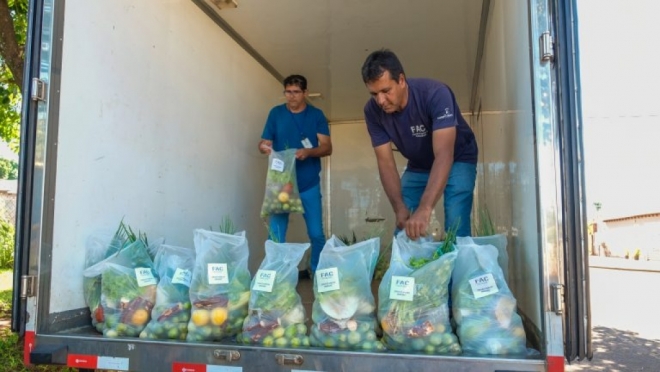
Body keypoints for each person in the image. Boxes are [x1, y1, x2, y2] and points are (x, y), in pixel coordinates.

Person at [361, 49, 478, 240]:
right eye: (374, 94)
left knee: (456, 223)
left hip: (458, 157)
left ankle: (461, 267)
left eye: (385, 91)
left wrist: (425, 208)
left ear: (401, 80)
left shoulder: (435, 94)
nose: (380, 100)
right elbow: (385, 163)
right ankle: (410, 269)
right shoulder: (372, 111)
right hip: (419, 164)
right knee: (404, 222)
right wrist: (398, 207)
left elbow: (444, 154)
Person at [258, 74, 332, 274]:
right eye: (288, 92)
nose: (291, 97)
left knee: (316, 234)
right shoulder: (276, 114)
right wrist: (264, 147)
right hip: (282, 184)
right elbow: (263, 143)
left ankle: (318, 274)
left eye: (296, 92)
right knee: (276, 234)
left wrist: (308, 152)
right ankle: (275, 275)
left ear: (305, 93)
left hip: (308, 183)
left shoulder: (316, 115)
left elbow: (327, 147)